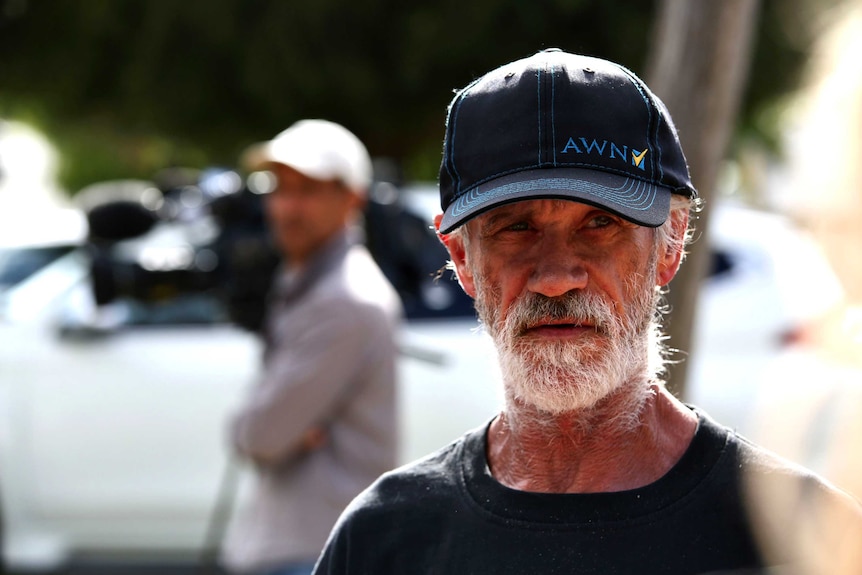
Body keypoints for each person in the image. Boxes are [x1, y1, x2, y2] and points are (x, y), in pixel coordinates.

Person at [312, 50, 862, 574]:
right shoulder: (385, 540)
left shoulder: (803, 540)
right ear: (461, 258)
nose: (554, 277)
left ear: (671, 245)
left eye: (600, 225)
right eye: (516, 228)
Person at [220, 119, 402, 575]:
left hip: (317, 554)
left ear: (353, 198)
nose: (287, 207)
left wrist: (254, 425)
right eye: (279, 188)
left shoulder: (342, 299)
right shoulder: (310, 280)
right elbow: (271, 434)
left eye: (308, 190)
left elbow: (259, 437)